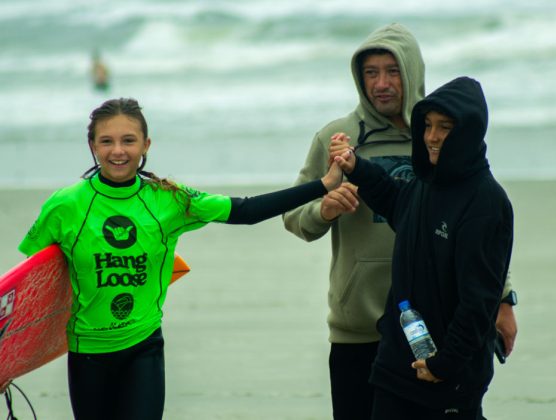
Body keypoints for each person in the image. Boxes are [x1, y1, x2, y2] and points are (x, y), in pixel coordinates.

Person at [18, 98, 344, 420]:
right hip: (87, 352)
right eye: (107, 141)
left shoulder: (169, 198)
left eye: (128, 141)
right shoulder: (65, 205)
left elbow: (245, 211)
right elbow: (31, 284)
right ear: (92, 145)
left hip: (142, 346)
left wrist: (323, 185)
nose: (118, 151)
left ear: (146, 145)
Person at [282, 23, 518, 419]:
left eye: (392, 71)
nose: (382, 84)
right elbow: (296, 218)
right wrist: (324, 208)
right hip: (360, 323)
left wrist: (504, 297)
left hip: (439, 329)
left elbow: (484, 248)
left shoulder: (448, 143)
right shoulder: (337, 138)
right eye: (370, 73)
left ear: (412, 71)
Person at [332, 76, 513, 419]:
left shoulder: (486, 203)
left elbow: (479, 301)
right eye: (427, 125)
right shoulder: (425, 184)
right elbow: (393, 198)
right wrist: (355, 167)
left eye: (444, 127)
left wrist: (443, 364)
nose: (431, 136)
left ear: (469, 131)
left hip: (447, 377)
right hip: (396, 365)